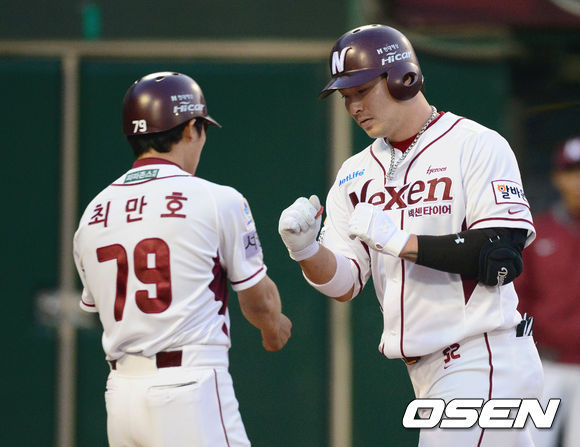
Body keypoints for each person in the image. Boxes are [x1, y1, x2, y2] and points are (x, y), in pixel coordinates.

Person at [278, 25, 543, 446]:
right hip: (427, 372)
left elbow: (501, 258)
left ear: (404, 78)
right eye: (346, 96)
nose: (354, 106)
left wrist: (401, 241)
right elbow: (345, 284)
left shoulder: (475, 144)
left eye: (362, 90)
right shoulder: (354, 172)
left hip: (482, 356)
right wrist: (305, 250)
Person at [73, 71, 292, 447]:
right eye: (201, 129)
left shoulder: (93, 213)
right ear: (191, 129)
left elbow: (96, 307)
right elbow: (259, 301)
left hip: (121, 395)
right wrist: (274, 329)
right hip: (188, 387)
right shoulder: (215, 199)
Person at [515, 136, 580, 447]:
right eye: (572, 171)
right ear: (558, 177)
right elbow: (517, 301)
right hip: (546, 364)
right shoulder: (538, 233)